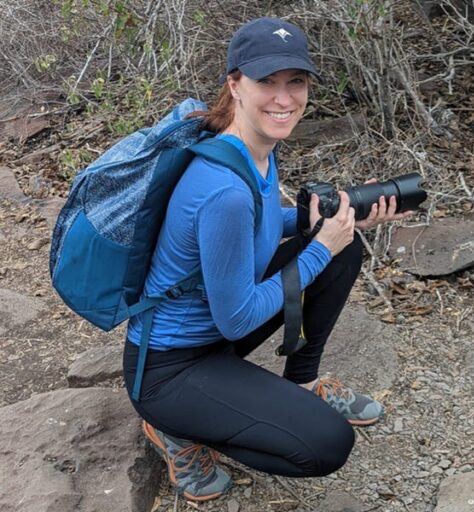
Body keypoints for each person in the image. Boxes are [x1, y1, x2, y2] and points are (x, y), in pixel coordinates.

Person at [122, 17, 412, 501]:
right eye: (267, 83)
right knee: (327, 445)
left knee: (343, 249)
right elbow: (237, 320)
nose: (284, 98)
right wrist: (320, 246)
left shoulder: (254, 150)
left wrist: (322, 220)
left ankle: (304, 382)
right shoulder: (223, 189)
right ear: (235, 84)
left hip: (212, 339)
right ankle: (174, 430)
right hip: (169, 369)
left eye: (295, 82)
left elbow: (251, 229)